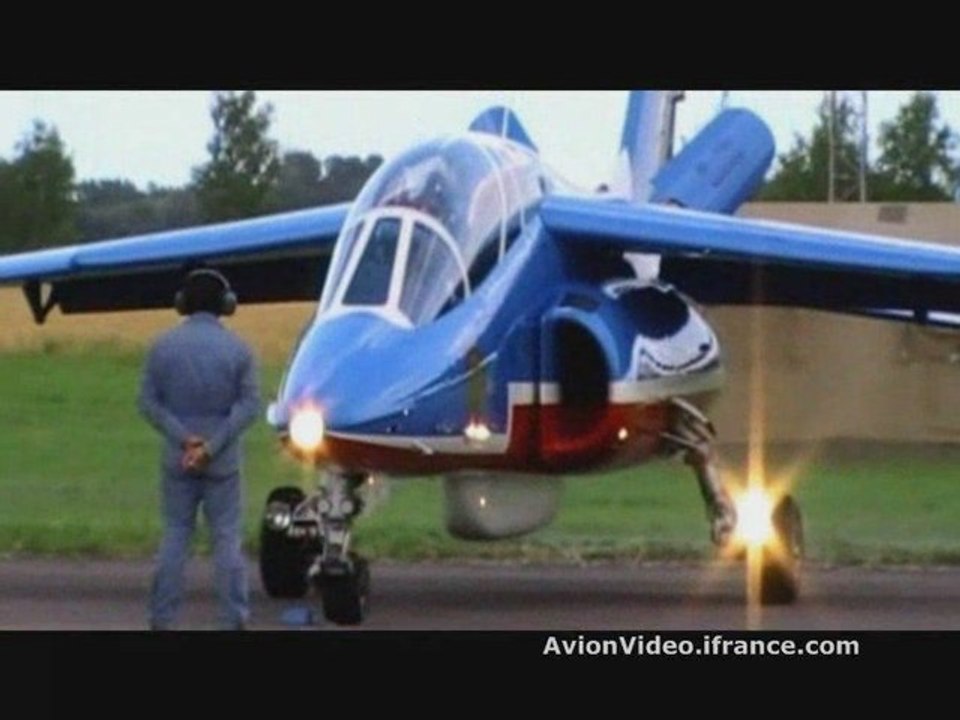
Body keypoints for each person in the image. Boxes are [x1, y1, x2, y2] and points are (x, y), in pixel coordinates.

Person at [138, 268, 261, 630]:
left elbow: (148, 402)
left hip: (177, 456)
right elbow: (249, 406)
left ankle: (163, 617)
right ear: (227, 304)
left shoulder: (162, 347)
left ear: (182, 303)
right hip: (223, 459)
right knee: (226, 538)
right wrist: (212, 446)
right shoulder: (239, 349)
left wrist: (184, 439)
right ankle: (233, 617)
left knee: (175, 536)